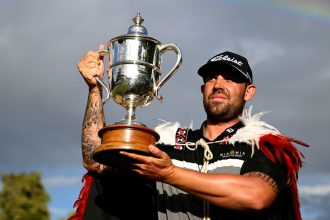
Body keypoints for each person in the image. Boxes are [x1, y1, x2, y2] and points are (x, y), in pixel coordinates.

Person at [70, 45, 308, 220]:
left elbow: (256, 196)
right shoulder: (168, 144)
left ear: (249, 92)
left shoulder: (265, 144)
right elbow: (95, 162)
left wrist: (170, 174)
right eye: (211, 77)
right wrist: (94, 89)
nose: (218, 84)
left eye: (231, 79)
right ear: (203, 89)